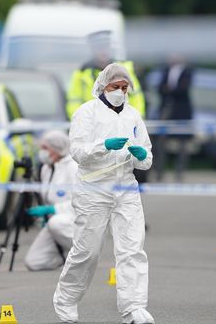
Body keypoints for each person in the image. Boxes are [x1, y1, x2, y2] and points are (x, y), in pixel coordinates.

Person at [54, 63, 154, 324]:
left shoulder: (133, 116)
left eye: (124, 88)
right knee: (87, 251)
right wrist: (103, 146)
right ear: (103, 86)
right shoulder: (86, 113)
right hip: (93, 189)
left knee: (132, 249)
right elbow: (77, 152)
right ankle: (66, 299)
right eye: (115, 87)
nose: (120, 92)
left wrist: (142, 157)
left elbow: (147, 157)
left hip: (126, 187)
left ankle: (134, 308)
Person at [66, 31, 149, 185]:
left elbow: (136, 96)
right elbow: (73, 100)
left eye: (105, 47)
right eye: (99, 48)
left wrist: (134, 121)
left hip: (120, 121)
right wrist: (82, 122)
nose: (103, 51)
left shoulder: (124, 69)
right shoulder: (82, 71)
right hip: (92, 125)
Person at [24, 130, 78, 271]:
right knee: (34, 262)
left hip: (74, 221)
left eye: (45, 148)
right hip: (56, 223)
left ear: (57, 148)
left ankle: (85, 254)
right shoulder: (46, 169)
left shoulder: (73, 167)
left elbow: (82, 201)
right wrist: (45, 215)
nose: (42, 152)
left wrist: (53, 210)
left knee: (56, 223)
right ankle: (67, 257)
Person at [154, 54, 194, 182]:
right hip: (166, 109)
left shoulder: (188, 72)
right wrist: (170, 90)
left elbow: (183, 90)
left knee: (182, 144)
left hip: (181, 111)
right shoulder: (165, 71)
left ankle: (179, 173)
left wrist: (169, 90)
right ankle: (159, 172)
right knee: (160, 141)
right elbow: (160, 88)